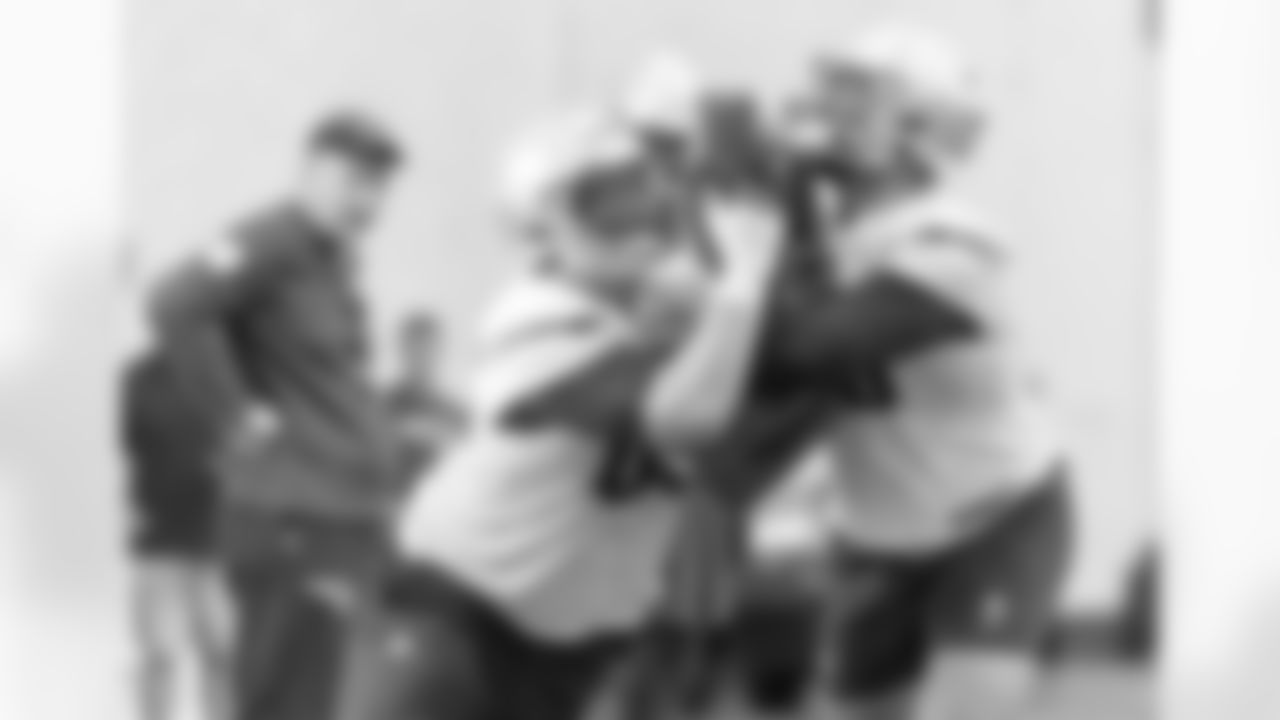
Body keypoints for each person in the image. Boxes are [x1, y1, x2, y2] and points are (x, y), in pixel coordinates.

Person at [334, 106, 790, 720]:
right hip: (457, 618)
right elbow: (688, 415)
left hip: (565, 654)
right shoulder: (538, 326)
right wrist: (745, 276)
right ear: (543, 232)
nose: (635, 222)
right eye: (602, 204)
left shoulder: (655, 311)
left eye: (640, 193)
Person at [796, 26, 1074, 720]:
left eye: (857, 98)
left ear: (919, 128)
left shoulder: (950, 242)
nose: (823, 110)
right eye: (833, 90)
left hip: (993, 514)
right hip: (874, 531)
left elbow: (805, 348)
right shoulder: (827, 238)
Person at [147, 109, 406, 720]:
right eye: (353, 180)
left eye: (378, 186)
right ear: (310, 171)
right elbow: (174, 301)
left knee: (329, 697)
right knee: (285, 701)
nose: (366, 201)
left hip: (341, 516)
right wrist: (237, 415)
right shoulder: (270, 241)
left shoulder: (333, 260)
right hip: (293, 518)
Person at [121, 337, 234, 720]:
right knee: (159, 653)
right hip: (160, 540)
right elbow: (125, 446)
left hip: (214, 540)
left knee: (220, 653)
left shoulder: (225, 375)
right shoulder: (140, 378)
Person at [385, 312, 465, 479]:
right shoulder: (381, 407)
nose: (423, 356)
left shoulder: (455, 415)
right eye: (417, 349)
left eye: (429, 348)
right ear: (404, 350)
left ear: (439, 351)